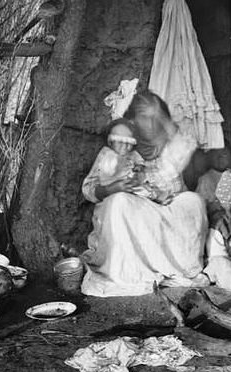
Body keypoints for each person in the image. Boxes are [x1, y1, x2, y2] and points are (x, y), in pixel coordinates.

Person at [81, 90, 208, 297]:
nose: (149, 123)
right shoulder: (118, 149)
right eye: (143, 116)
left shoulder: (168, 151)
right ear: (132, 119)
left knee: (194, 201)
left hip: (161, 213)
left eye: (153, 117)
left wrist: (160, 115)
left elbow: (185, 147)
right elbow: (88, 189)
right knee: (120, 202)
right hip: (130, 212)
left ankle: (182, 266)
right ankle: (130, 270)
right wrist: (114, 188)